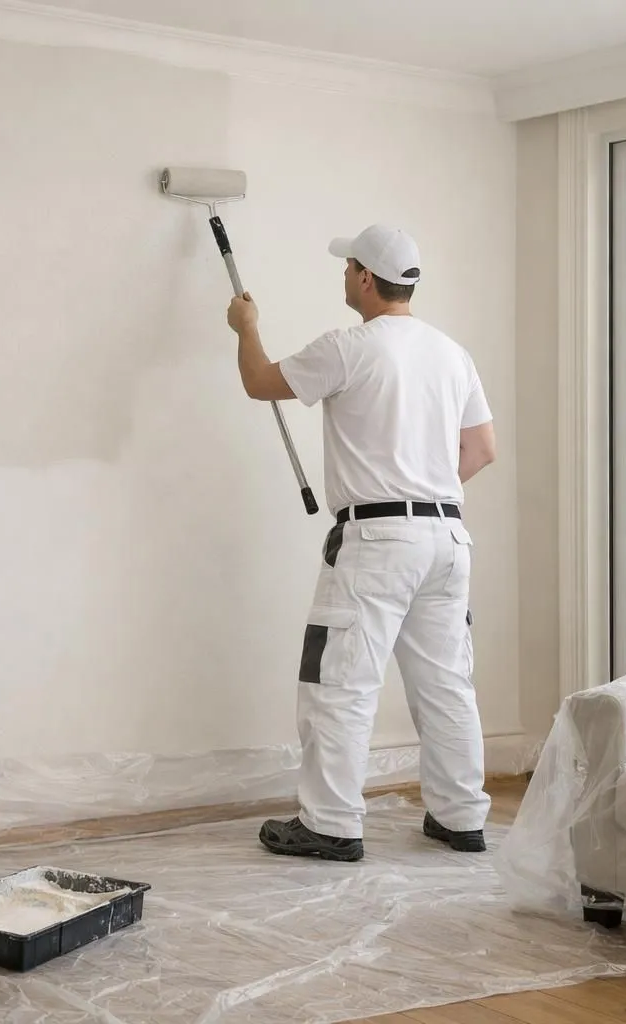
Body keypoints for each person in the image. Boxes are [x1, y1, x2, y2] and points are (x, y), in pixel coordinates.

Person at [225, 224, 497, 862]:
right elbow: (482, 450)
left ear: (366, 278)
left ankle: (330, 824)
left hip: (377, 540)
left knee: (340, 684)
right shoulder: (451, 353)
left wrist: (245, 326)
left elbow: (260, 382)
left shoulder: (350, 347)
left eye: (348, 267)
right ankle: (460, 819)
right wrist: (424, 489)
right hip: (447, 536)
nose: (343, 276)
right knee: (446, 684)